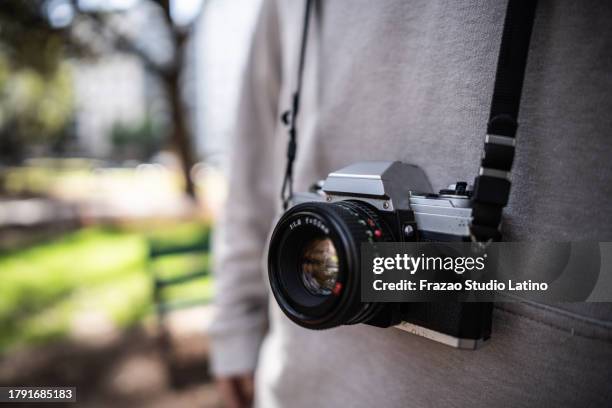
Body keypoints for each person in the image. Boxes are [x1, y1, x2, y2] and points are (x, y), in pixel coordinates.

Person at [209, 1, 612, 407]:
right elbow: (251, 165)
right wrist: (234, 328)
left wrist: (474, 263)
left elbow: (593, 274)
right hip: (299, 382)